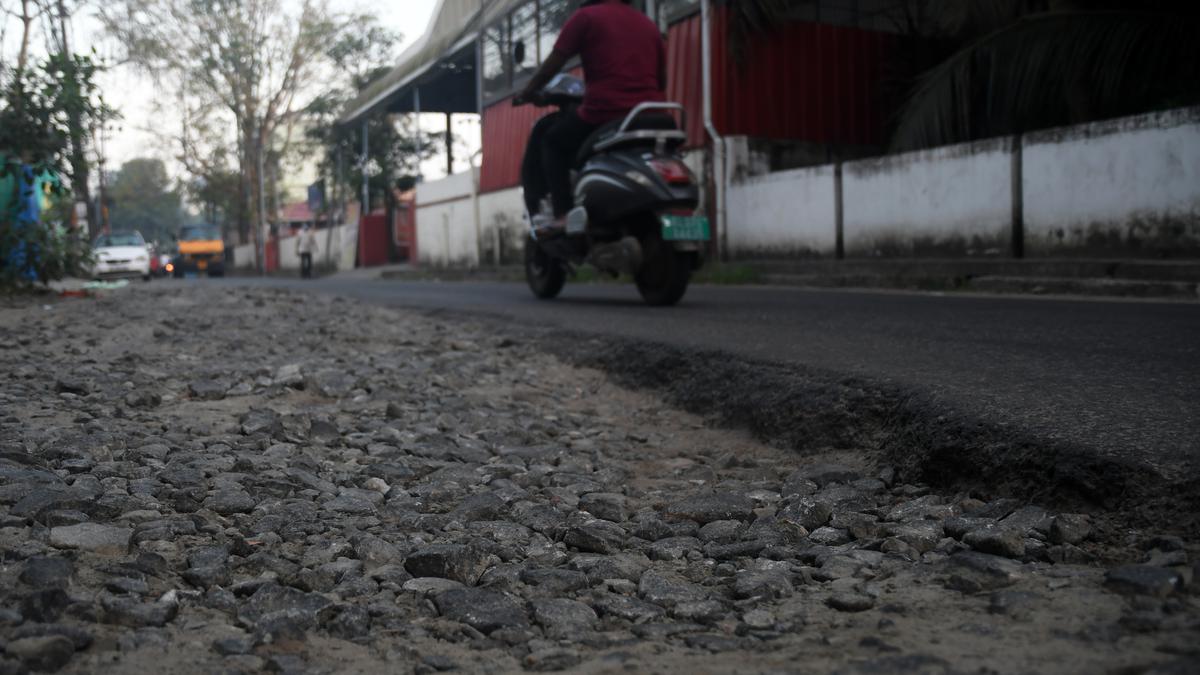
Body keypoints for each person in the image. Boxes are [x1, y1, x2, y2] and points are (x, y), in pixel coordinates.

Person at [515, 0, 666, 234]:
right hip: (650, 114)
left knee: (552, 141)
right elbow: (661, 78)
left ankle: (563, 214)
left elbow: (555, 62)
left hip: (604, 112)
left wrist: (529, 91)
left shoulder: (586, 17)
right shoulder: (647, 24)